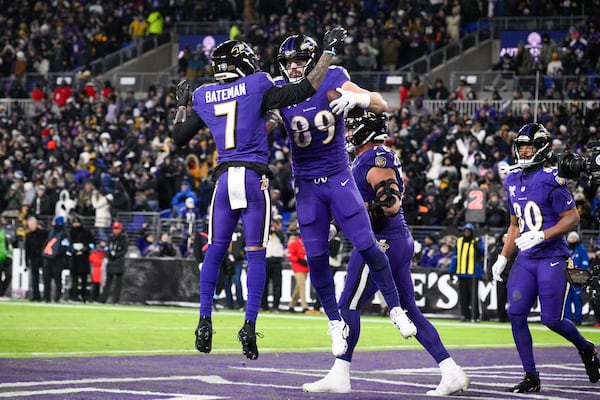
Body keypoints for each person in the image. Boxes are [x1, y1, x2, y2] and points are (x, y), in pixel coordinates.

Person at [172, 27, 348, 361]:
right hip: (253, 178)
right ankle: (249, 327)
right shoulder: (257, 83)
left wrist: (182, 105)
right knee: (255, 254)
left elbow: (180, 136)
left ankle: (203, 320)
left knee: (214, 252)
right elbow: (305, 88)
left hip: (223, 181)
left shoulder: (204, 94)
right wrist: (328, 53)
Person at [302, 112, 468, 395]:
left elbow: (389, 203)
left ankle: (340, 373)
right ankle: (450, 370)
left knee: (348, 305)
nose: (350, 131)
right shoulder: (369, 156)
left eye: (354, 126)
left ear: (368, 130)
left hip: (382, 241)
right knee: (408, 309)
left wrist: (347, 215)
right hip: (394, 240)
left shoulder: (375, 157)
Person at [275, 33, 416, 358]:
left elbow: (383, 103)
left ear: (313, 61)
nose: (294, 67)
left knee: (366, 244)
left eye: (299, 61)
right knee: (317, 257)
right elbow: (263, 125)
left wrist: (359, 100)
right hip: (307, 186)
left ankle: (395, 308)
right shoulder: (280, 93)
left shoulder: (334, 77)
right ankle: (334, 322)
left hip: (339, 178)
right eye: (289, 62)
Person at [491, 123, 600, 392]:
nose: (525, 150)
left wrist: (543, 235)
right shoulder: (512, 179)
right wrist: (504, 256)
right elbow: (514, 224)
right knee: (515, 313)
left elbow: (572, 217)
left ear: (542, 147)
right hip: (526, 258)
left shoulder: (552, 177)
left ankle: (585, 348)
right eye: (522, 146)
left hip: (552, 255)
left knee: (551, 319)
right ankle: (531, 376)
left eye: (530, 145)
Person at [448, 223, 485, 322]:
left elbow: (483, 253)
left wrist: (477, 246)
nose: (467, 233)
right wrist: (451, 271)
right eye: (465, 231)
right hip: (461, 272)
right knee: (463, 297)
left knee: (474, 296)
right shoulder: (459, 241)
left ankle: (475, 316)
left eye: (469, 231)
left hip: (473, 273)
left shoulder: (477, 240)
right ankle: (466, 315)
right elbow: (455, 256)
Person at [41, 216, 72, 303]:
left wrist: (59, 256)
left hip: (58, 259)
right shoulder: (52, 232)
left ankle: (57, 297)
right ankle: (46, 297)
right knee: (46, 279)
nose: (52, 223)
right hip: (49, 258)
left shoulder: (64, 234)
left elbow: (65, 247)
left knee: (57, 279)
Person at [99, 221, 128, 304]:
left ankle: (116, 300)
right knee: (108, 282)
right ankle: (102, 299)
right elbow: (106, 248)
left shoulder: (124, 238)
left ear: (120, 229)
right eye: (114, 229)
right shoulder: (110, 238)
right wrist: (109, 255)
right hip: (111, 261)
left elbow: (124, 250)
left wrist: (116, 255)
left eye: (117, 229)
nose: (115, 230)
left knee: (118, 283)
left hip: (119, 262)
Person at [565, 231, 590, 325]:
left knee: (577, 300)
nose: (573, 240)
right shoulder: (565, 249)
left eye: (574, 238)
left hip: (577, 279)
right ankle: (567, 320)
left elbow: (585, 263)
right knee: (566, 301)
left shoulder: (581, 249)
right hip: (566, 279)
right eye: (571, 238)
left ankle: (578, 320)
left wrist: (578, 273)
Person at [68, 216, 95, 302]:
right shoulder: (70, 233)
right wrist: (72, 249)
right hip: (74, 259)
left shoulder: (87, 232)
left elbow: (92, 243)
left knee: (84, 279)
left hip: (84, 258)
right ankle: (74, 296)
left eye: (77, 222)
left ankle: (84, 296)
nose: (76, 224)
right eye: (74, 222)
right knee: (74, 280)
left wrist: (86, 248)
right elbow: (66, 243)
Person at [262, 214, 285, 312]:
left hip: (277, 261)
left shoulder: (281, 233)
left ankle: (276, 306)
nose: (275, 224)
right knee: (264, 284)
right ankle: (264, 306)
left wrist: (276, 230)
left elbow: (283, 240)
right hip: (266, 261)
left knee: (277, 285)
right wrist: (269, 229)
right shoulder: (267, 232)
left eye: (277, 223)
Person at [287, 223, 309, 313]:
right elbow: (289, 255)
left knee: (298, 287)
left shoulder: (307, 243)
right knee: (302, 285)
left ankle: (291, 305)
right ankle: (305, 307)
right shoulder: (294, 243)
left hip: (306, 267)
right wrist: (299, 260)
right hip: (297, 267)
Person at [24, 216, 47, 301]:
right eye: (29, 225)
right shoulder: (28, 235)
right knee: (34, 279)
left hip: (43, 258)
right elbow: (27, 249)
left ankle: (46, 295)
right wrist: (26, 261)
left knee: (45, 278)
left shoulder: (44, 233)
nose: (30, 226)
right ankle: (35, 296)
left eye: (31, 224)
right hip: (34, 259)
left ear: (36, 224)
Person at [0, 218, 14, 297]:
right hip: (3, 256)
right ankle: (1, 294)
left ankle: (2, 293)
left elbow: (12, 239)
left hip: (7, 257)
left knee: (8, 276)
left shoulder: (7, 229)